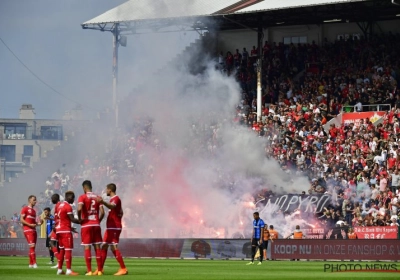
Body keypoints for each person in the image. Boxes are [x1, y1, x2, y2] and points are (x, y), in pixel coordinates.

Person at [98, 183, 128, 275]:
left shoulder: (116, 199)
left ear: (110, 190)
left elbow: (112, 206)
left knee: (113, 246)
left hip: (114, 227)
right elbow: (121, 212)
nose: (106, 191)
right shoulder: (113, 199)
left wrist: (103, 202)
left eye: (106, 189)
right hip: (111, 227)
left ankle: (123, 268)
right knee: (104, 246)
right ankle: (100, 269)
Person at [77, 180, 105, 276]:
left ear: (84, 188)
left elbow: (79, 209)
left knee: (87, 247)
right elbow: (103, 212)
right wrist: (98, 221)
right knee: (97, 247)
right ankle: (100, 271)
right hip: (96, 224)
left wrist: (80, 219)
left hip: (86, 225)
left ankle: (89, 271)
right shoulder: (98, 197)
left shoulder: (82, 197)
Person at [56, 191, 80, 276]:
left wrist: (71, 228)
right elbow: (72, 219)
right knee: (68, 250)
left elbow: (61, 219)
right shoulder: (68, 206)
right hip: (65, 231)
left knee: (62, 250)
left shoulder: (59, 206)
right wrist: (83, 222)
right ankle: (69, 270)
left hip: (59, 230)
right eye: (73, 198)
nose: (73, 200)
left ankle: (59, 269)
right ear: (69, 197)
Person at [20, 195, 42, 268]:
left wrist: (40, 223)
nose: (35, 201)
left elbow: (34, 223)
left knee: (32, 247)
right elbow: (21, 220)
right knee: (32, 246)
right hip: (28, 230)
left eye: (35, 200)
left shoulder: (34, 211)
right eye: (34, 200)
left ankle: (30, 264)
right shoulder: (25, 209)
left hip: (33, 230)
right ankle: (35, 263)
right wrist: (29, 225)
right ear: (29, 200)